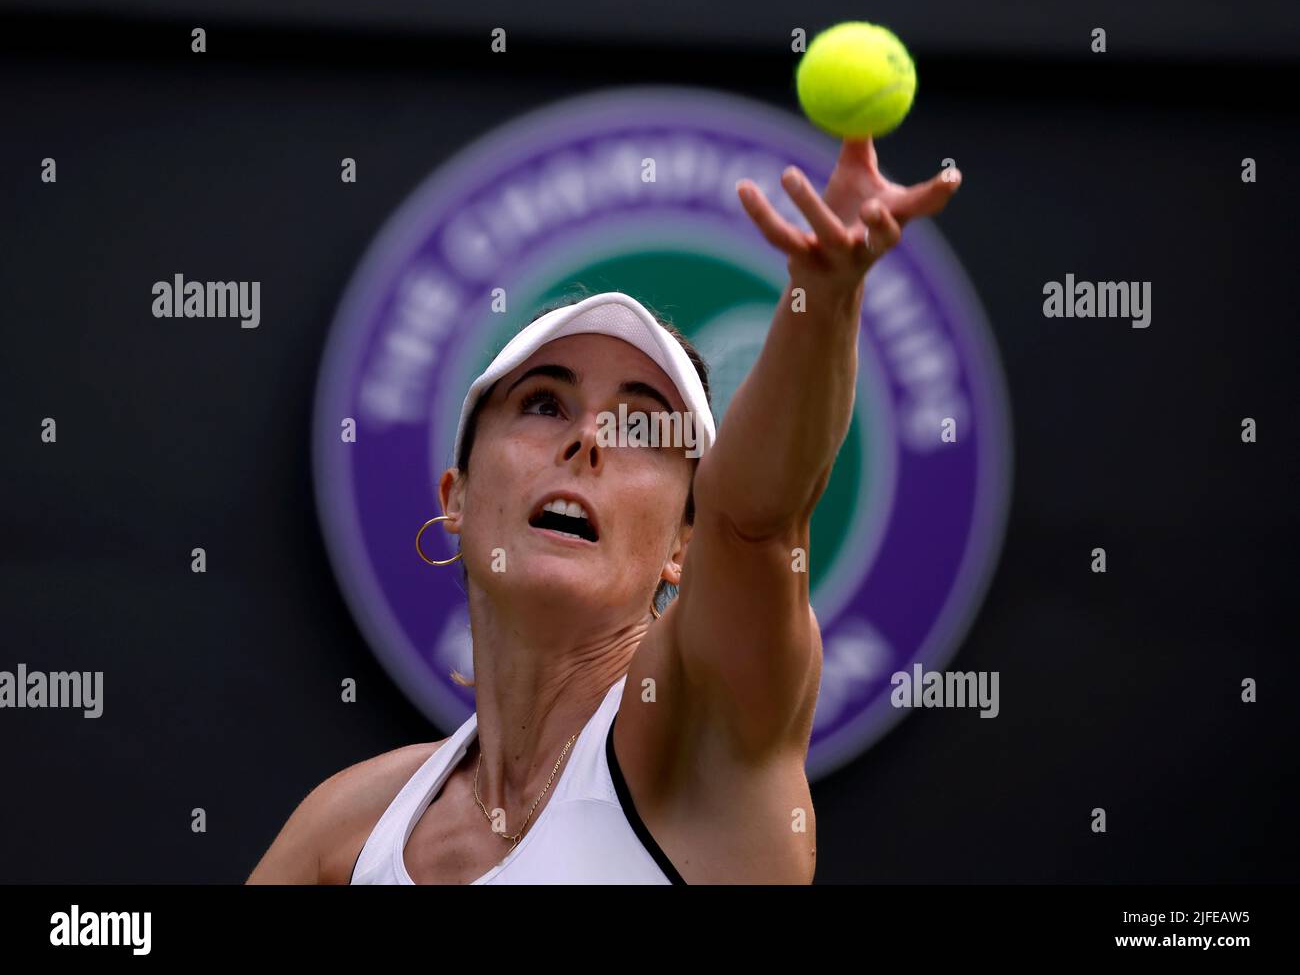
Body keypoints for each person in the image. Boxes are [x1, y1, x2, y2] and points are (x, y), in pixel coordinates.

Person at [247, 137, 960, 884]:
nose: (589, 437)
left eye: (643, 427)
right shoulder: (350, 824)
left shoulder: (700, 734)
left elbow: (758, 518)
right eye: (544, 403)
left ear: (686, 542)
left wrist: (825, 291)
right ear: (455, 496)